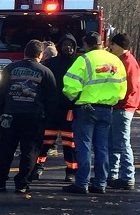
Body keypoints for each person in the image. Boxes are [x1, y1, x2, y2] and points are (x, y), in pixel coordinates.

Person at [62, 32, 127, 194]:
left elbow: (70, 85)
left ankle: (82, 183)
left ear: (86, 45)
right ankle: (100, 184)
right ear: (101, 43)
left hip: (86, 108)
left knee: (83, 147)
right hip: (107, 109)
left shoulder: (84, 60)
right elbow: (122, 90)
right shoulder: (115, 61)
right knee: (102, 147)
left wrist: (74, 99)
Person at [0, 40, 57, 194]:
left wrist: (1, 113)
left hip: (10, 116)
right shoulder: (45, 72)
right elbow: (52, 98)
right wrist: (45, 118)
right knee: (30, 151)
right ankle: (22, 183)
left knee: (4, 150)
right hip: (34, 117)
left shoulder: (10, 69)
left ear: (25, 52)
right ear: (40, 54)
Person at [31, 34, 79, 182]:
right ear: (60, 47)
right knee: (45, 141)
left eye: (71, 44)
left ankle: (71, 172)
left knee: (70, 144)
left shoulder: (80, 63)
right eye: (65, 44)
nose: (68, 47)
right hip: (51, 110)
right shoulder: (50, 64)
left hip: (70, 111)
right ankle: (37, 168)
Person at [106, 33, 138, 190]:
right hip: (120, 107)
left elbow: (130, 86)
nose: (111, 47)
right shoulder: (124, 61)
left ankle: (127, 176)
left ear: (118, 45)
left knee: (122, 143)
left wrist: (116, 98)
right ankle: (112, 174)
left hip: (123, 107)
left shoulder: (127, 62)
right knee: (114, 142)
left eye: (112, 44)